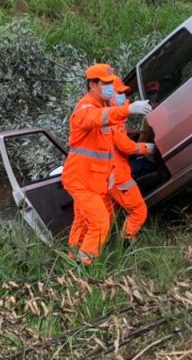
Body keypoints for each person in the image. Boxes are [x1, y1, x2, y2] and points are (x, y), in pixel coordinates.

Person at [64, 64, 152, 264]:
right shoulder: (86, 107)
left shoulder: (104, 109)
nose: (110, 87)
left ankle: (72, 261)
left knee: (84, 221)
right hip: (81, 180)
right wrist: (127, 109)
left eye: (111, 83)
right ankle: (84, 266)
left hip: (95, 180)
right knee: (100, 223)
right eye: (106, 83)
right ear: (93, 85)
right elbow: (95, 119)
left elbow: (107, 150)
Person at [107, 76, 157, 242]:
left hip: (112, 176)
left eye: (124, 93)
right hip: (118, 176)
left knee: (106, 219)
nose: (123, 97)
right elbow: (126, 146)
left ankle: (92, 257)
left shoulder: (113, 119)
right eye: (119, 93)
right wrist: (147, 148)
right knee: (138, 211)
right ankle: (127, 242)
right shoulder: (112, 121)